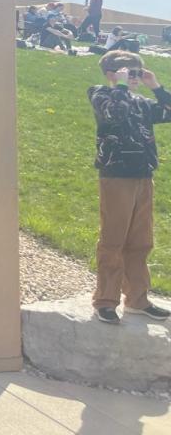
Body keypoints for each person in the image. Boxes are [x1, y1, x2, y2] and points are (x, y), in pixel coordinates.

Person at [88, 51, 171, 324]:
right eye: (129, 73)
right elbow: (115, 113)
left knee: (141, 241)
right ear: (112, 74)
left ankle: (137, 299)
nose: (135, 78)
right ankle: (105, 300)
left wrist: (156, 86)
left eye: (138, 73)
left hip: (143, 176)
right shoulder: (101, 94)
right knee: (113, 240)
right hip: (116, 177)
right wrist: (121, 86)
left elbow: (169, 112)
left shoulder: (141, 102)